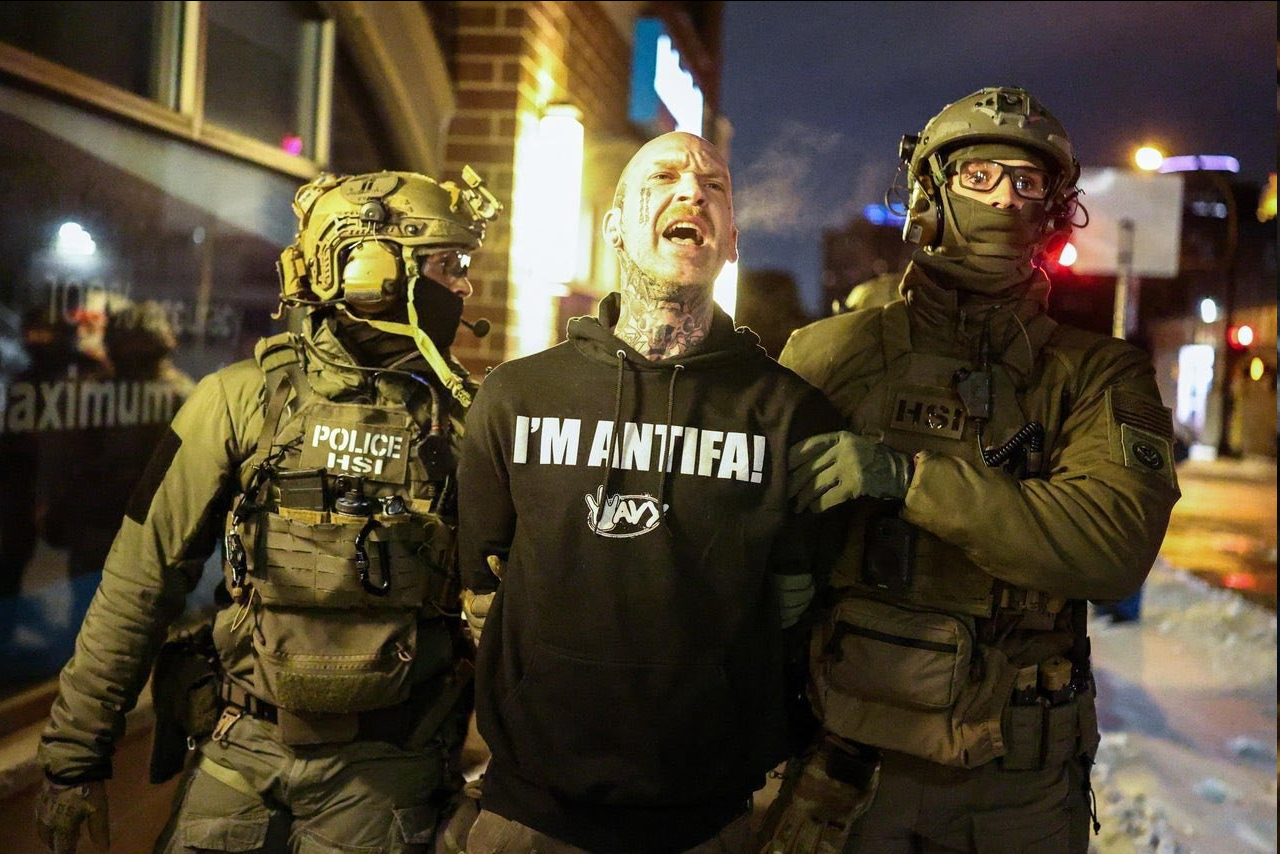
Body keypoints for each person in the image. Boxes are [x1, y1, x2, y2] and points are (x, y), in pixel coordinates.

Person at [758, 86, 1182, 852]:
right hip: (848, 764)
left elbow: (1112, 545)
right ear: (931, 190)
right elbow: (749, 526)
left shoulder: (1097, 374)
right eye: (979, 176)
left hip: (1015, 785)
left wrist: (906, 480)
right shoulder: (830, 352)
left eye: (1026, 181)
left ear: (1054, 208)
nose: (1004, 199)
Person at [34, 166, 502, 853]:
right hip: (240, 749)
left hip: (389, 767)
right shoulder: (239, 401)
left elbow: (505, 619)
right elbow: (141, 579)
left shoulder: (469, 425)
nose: (463, 287)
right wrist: (74, 757)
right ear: (369, 269)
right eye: (448, 265)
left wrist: (516, 786)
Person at [456, 130, 844, 853]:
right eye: (663, 177)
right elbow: (481, 588)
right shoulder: (515, 395)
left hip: (706, 822)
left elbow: (800, 609)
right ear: (615, 227)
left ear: (732, 241)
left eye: (714, 185)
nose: (692, 191)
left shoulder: (792, 416)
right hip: (528, 814)